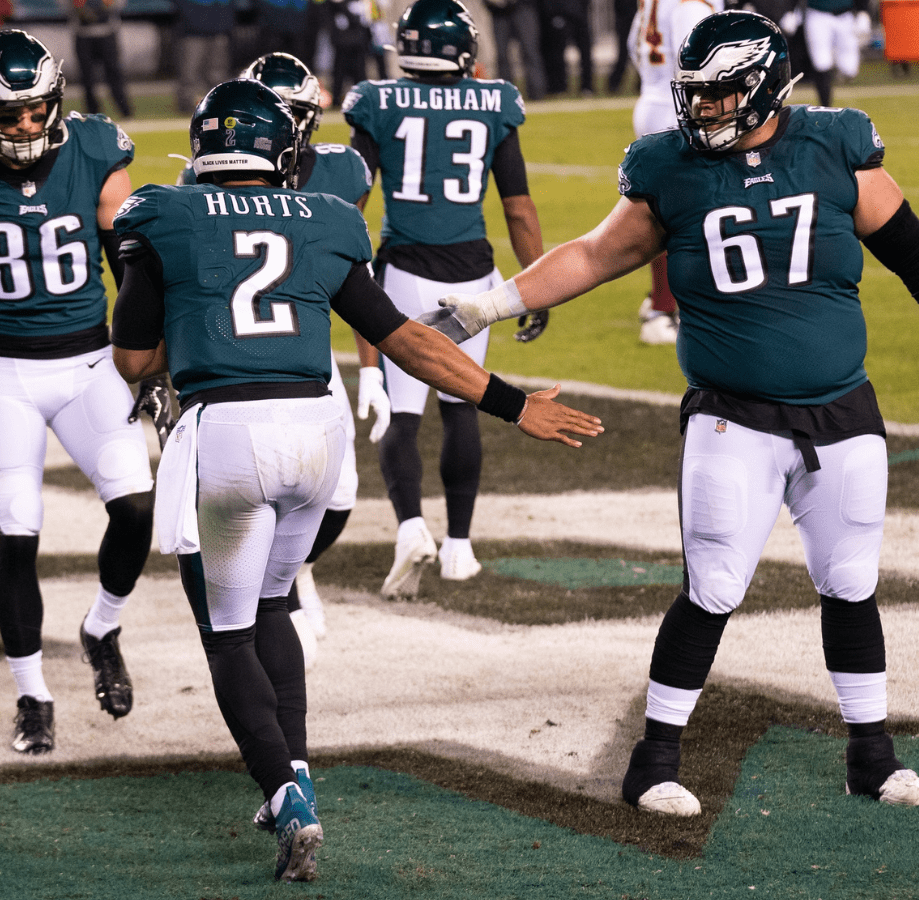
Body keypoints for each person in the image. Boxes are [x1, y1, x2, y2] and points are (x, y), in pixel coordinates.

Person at [424, 10, 919, 815]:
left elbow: (910, 245)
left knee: (851, 583)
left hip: (841, 409)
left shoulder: (834, 142)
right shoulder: (671, 167)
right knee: (712, 586)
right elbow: (598, 254)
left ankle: (872, 757)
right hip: (732, 417)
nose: (700, 109)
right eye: (694, 94)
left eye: (718, 94)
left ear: (766, 85)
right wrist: (488, 305)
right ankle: (654, 762)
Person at [110, 77, 600, 883]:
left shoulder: (163, 213)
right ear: (285, 151)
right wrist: (511, 402)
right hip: (317, 431)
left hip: (227, 431)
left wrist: (189, 326)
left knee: (227, 629)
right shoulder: (327, 218)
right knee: (276, 600)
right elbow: (405, 340)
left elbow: (133, 359)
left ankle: (286, 799)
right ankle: (295, 766)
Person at [0, 29, 157, 755]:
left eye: (35, 109)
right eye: (10, 114)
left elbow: (132, 268)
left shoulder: (96, 148)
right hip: (1, 372)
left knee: (136, 511)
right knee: (17, 535)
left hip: (89, 365)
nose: (25, 125)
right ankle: (32, 694)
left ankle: (102, 627)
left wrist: (157, 363)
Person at [182, 52, 390, 660]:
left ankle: (289, 568)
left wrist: (371, 371)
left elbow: (358, 283)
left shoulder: (344, 174)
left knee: (342, 496)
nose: (287, 130)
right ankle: (276, 588)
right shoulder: (201, 187)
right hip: (235, 367)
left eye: (297, 116)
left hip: (308, 362)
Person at [343, 0, 547, 602]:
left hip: (404, 268)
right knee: (463, 402)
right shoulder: (494, 101)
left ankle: (410, 527)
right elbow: (517, 205)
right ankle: (460, 545)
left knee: (401, 414)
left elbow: (355, 199)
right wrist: (534, 282)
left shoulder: (376, 101)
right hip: (474, 274)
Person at [629, 0, 721, 344]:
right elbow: (698, 64)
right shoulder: (690, 4)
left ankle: (660, 301)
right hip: (680, 108)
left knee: (665, 211)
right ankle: (663, 310)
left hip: (654, 100)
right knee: (685, 216)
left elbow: (633, 47)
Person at [781, 0, 871, 106]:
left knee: (849, 69)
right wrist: (791, 10)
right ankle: (826, 105)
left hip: (846, 16)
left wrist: (863, 10)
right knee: (821, 63)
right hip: (817, 14)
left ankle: (833, 63)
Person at [62, 0, 133, 119]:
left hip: (107, 31)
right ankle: (92, 114)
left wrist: (108, 6)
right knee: (87, 78)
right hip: (83, 33)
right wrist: (77, 8)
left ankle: (125, 111)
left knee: (114, 74)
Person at [173, 0, 232, 114]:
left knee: (218, 73)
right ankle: (187, 106)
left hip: (220, 28)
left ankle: (218, 104)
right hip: (192, 31)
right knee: (189, 73)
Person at [484, 0, 546, 100]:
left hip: (523, 8)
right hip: (498, 12)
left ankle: (537, 93)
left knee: (530, 52)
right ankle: (506, 95)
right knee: (502, 55)